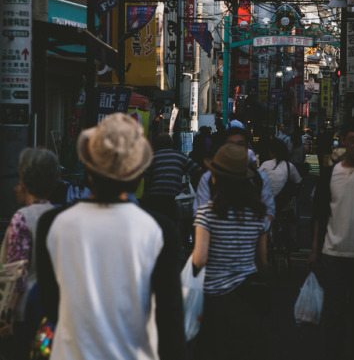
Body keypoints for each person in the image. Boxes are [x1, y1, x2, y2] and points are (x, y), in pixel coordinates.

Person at [36, 112, 186, 360]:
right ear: (137, 174)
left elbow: (51, 305)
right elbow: (169, 318)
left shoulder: (53, 223)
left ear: (89, 171)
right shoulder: (159, 229)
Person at [192, 143, 269, 360]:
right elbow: (262, 262)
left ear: (215, 177)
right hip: (248, 297)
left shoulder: (207, 213)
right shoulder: (258, 213)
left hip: (214, 298)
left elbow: (199, 259)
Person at [309, 116, 354, 360]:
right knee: (334, 314)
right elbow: (320, 213)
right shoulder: (330, 174)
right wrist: (315, 249)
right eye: (353, 140)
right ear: (344, 141)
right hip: (333, 254)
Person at [0, 147, 60, 360]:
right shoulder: (58, 215)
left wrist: (5, 317)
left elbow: (15, 272)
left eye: (18, 180)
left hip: (22, 314)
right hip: (51, 313)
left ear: (24, 182)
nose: (15, 187)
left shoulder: (21, 218)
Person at [194, 126, 275, 223]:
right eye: (231, 144)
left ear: (247, 148)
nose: (236, 148)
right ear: (223, 147)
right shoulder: (208, 178)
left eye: (240, 144)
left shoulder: (260, 178)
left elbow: (269, 211)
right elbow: (199, 213)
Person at [142, 132, 203, 223]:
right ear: (171, 143)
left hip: (154, 198)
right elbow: (198, 171)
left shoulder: (151, 157)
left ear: (155, 144)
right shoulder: (180, 156)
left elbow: (144, 176)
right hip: (173, 198)